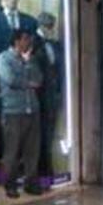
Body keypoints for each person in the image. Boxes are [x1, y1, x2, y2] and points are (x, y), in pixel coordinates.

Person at [0, 29, 44, 198]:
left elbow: (39, 79)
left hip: (32, 110)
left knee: (32, 149)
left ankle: (31, 183)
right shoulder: (4, 58)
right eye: (26, 40)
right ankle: (10, 184)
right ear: (16, 41)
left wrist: (29, 63)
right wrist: (29, 83)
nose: (29, 43)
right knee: (12, 151)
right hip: (13, 111)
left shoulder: (31, 59)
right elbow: (10, 80)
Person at [35, 12, 63, 182]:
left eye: (52, 26)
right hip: (39, 97)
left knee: (49, 134)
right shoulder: (33, 43)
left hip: (53, 96)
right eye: (49, 27)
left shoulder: (55, 44)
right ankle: (42, 171)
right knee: (40, 135)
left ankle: (47, 169)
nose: (52, 30)